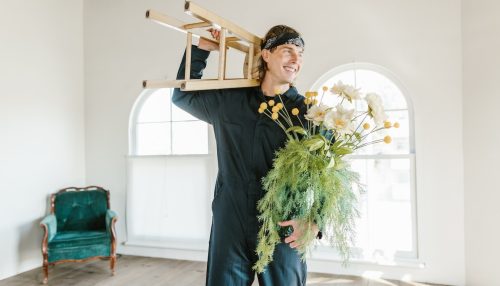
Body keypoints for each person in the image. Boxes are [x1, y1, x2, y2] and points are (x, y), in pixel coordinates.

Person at [172, 25, 319, 286]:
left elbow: (328, 173)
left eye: (300, 53)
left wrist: (314, 220)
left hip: (283, 222)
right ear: (266, 54)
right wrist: (203, 50)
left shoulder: (309, 114)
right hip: (231, 218)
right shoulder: (230, 101)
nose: (296, 60)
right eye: (287, 51)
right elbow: (182, 95)